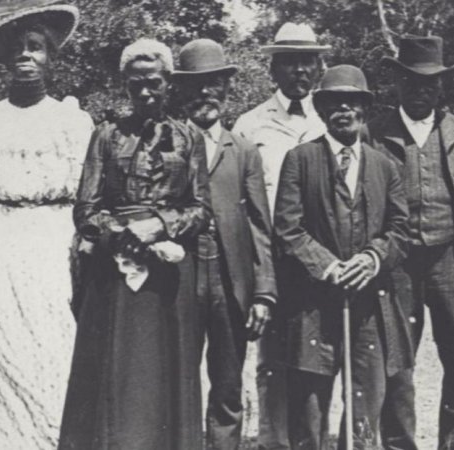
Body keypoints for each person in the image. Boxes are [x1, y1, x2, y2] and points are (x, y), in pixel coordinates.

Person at [0, 2, 94, 449]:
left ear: (51, 57)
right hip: (1, 252)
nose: (26, 57)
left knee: (54, 352)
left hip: (53, 249)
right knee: (6, 356)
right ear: (5, 61)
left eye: (36, 48)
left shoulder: (71, 120)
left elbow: (84, 201)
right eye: (18, 49)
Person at [58, 38, 211, 450]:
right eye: (136, 84)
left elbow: (200, 209)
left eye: (154, 83)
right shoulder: (106, 135)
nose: (145, 92)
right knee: (117, 372)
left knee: (165, 374)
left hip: (169, 278)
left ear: (169, 84)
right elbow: (86, 209)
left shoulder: (189, 137)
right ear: (124, 85)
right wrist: (123, 236)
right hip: (114, 276)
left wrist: (160, 225)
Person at [273, 64, 412, 450]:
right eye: (334, 103)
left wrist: (372, 259)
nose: (344, 110)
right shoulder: (300, 159)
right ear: (321, 109)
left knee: (365, 403)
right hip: (313, 305)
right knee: (310, 409)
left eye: (352, 103)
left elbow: (401, 230)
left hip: (369, 306)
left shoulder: (385, 167)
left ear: (364, 110)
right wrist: (328, 266)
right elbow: (287, 229)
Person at [368, 36, 454, 450]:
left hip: (452, 261)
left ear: (441, 86)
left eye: (429, 83)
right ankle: (399, 444)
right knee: (396, 366)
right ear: (397, 84)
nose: (420, 90)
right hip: (398, 263)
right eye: (411, 81)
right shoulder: (375, 133)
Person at [172, 39, 278, 450]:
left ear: (226, 89)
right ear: (182, 91)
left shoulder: (244, 150)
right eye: (196, 85)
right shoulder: (167, 143)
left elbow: (259, 225)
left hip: (231, 284)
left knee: (228, 385)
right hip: (179, 279)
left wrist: (264, 292)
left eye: (214, 84)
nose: (205, 94)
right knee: (179, 382)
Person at [231, 22, 328, 449]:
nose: (299, 72)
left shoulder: (332, 119)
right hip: (269, 260)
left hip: (320, 260)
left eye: (307, 61)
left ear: (318, 67)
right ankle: (273, 442)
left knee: (316, 359)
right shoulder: (250, 126)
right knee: (271, 359)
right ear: (274, 69)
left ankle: (314, 440)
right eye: (289, 62)